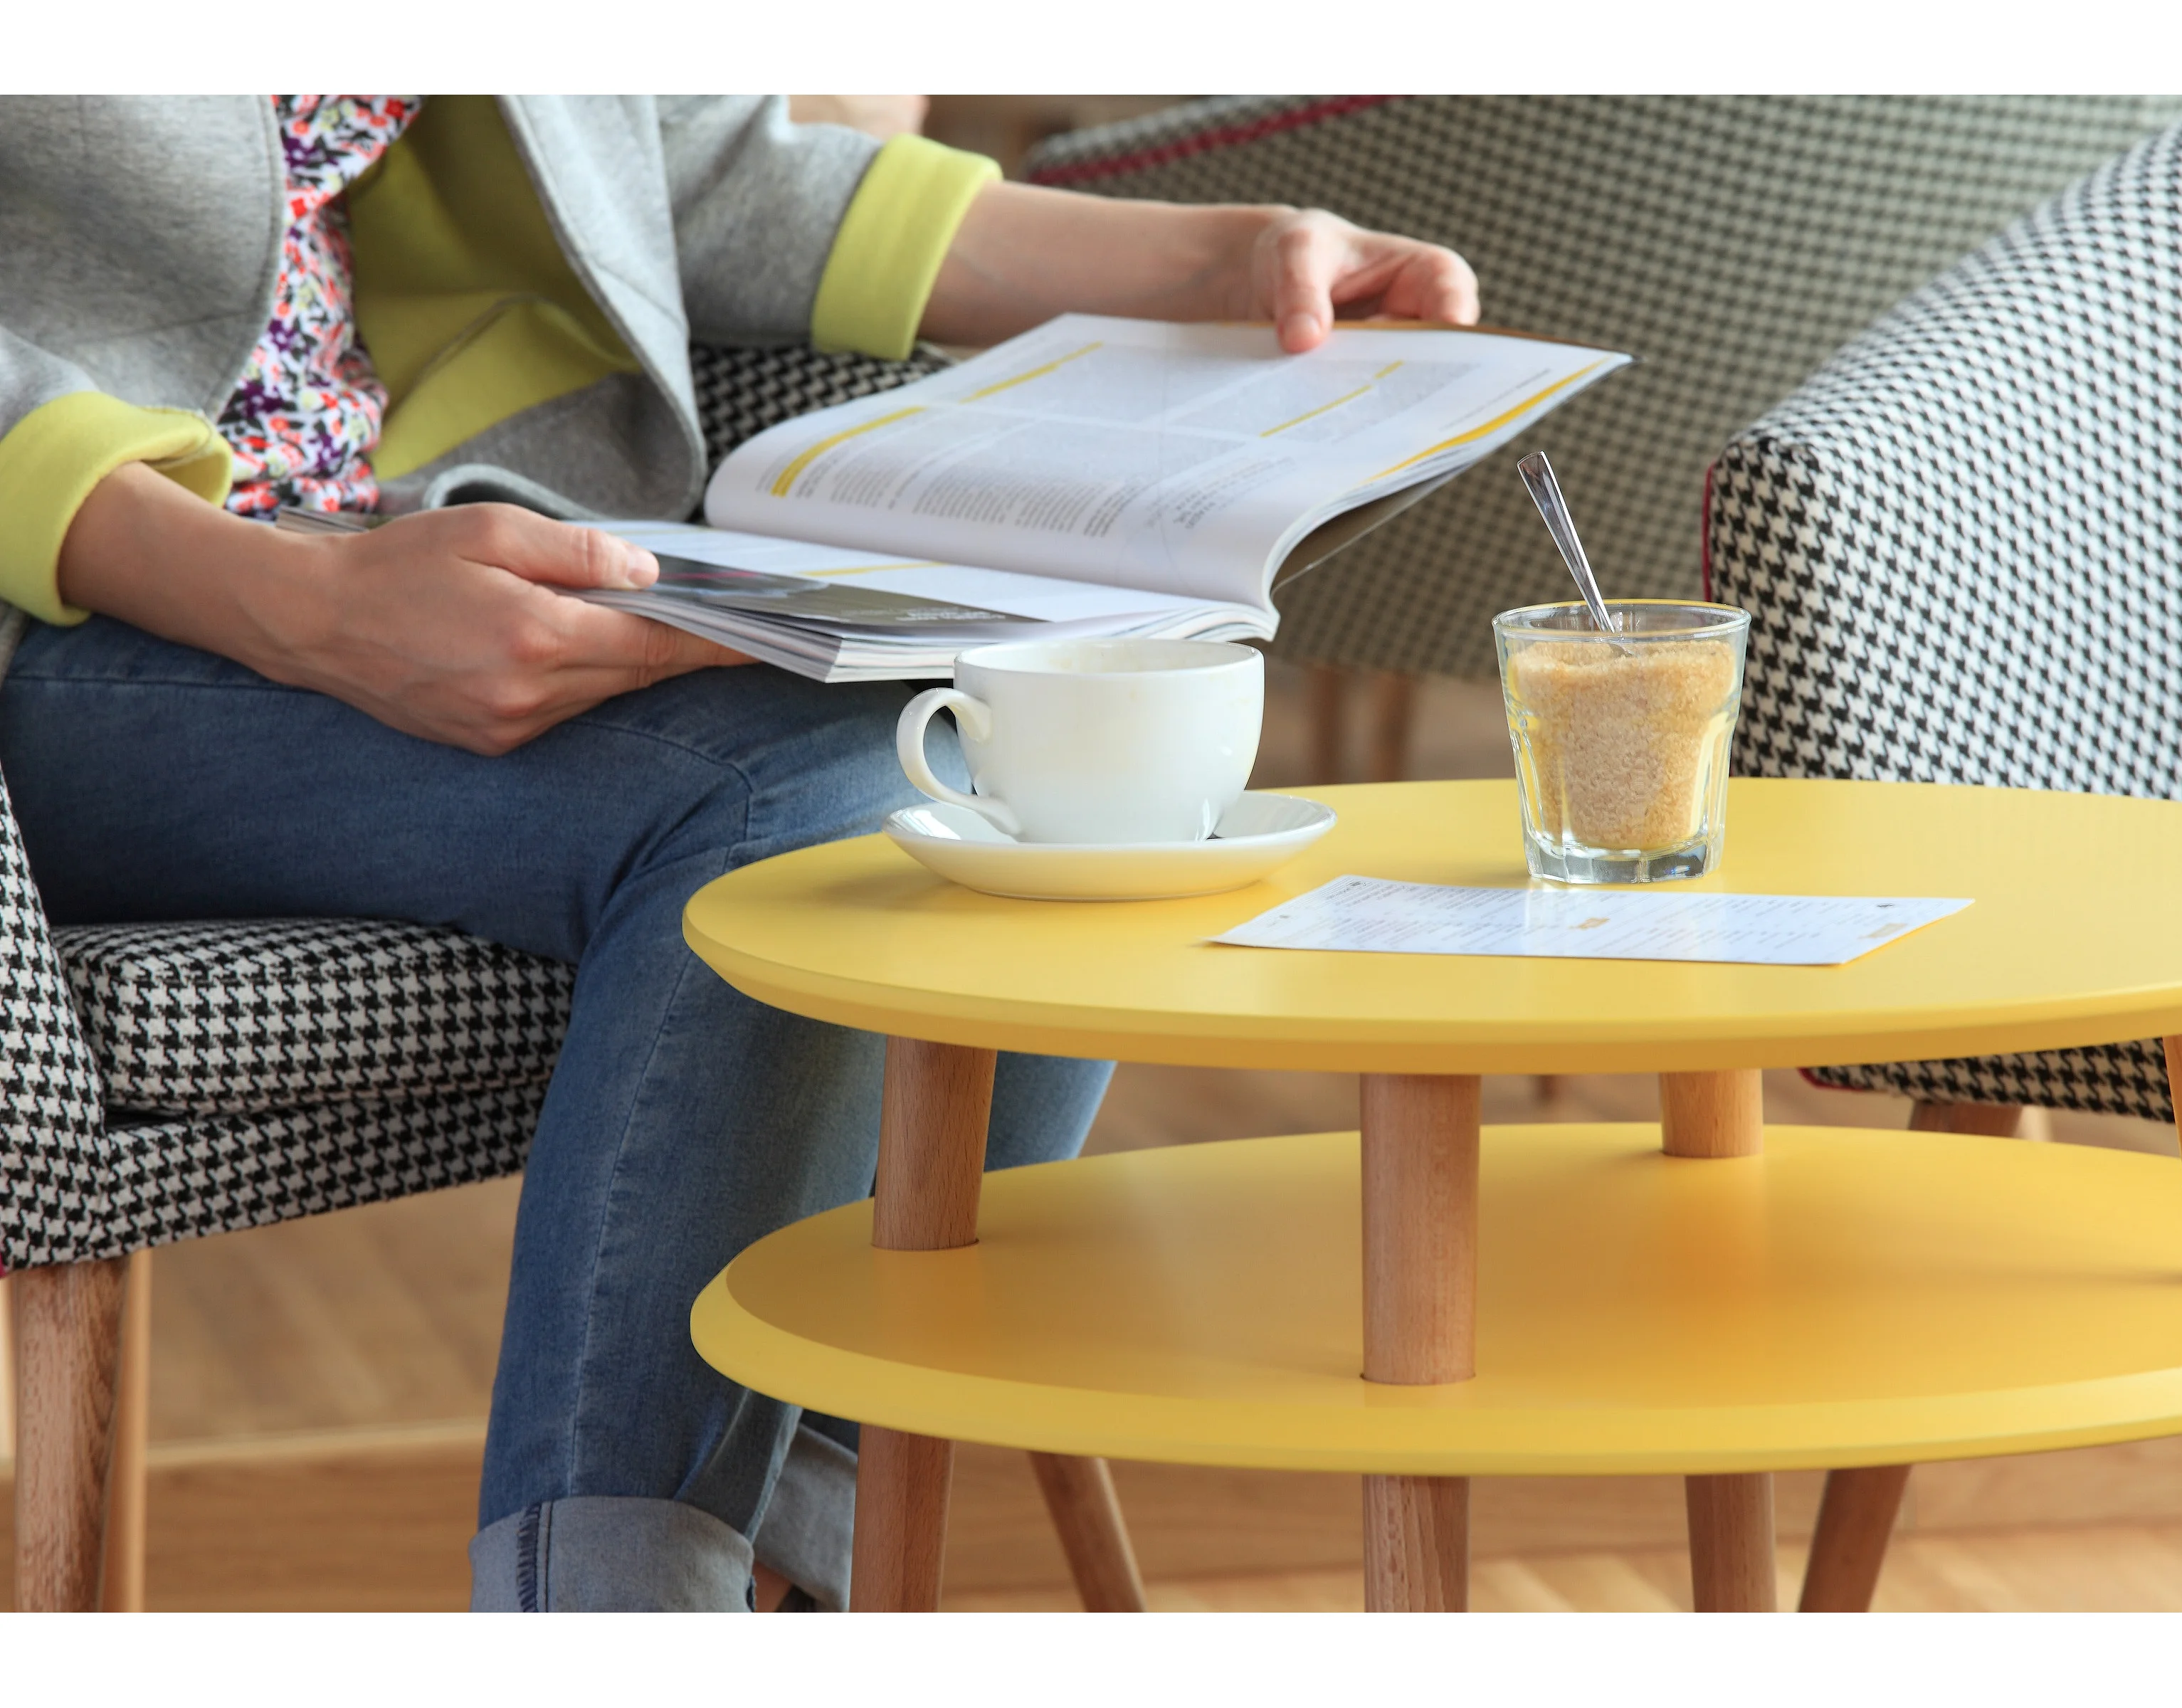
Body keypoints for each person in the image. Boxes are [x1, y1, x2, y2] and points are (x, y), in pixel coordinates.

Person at [0, 95, 1479, 1611]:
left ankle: (786, 1562)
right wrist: (300, 609)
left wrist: (1225, 264)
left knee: (1058, 771)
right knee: (792, 817)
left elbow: (696, 169)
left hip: (446, 536)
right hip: (85, 615)